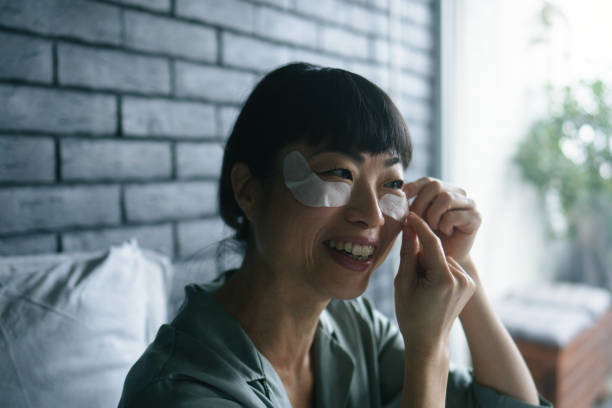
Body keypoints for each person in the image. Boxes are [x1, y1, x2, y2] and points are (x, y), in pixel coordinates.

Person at [118, 62, 552, 407]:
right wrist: (428, 350)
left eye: (392, 184)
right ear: (248, 190)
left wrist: (457, 261)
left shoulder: (354, 327)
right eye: (337, 173)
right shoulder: (179, 392)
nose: (370, 215)